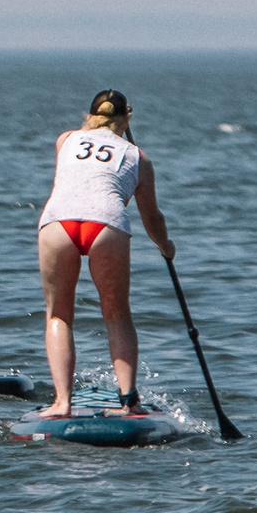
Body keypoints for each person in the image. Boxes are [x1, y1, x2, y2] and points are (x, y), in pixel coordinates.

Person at [34, 90, 176, 417]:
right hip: (106, 223)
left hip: (58, 222)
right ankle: (129, 401)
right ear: (127, 117)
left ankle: (62, 403)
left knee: (58, 314)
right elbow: (152, 217)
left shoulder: (65, 139)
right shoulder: (138, 157)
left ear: (89, 114)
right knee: (116, 313)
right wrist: (165, 247)